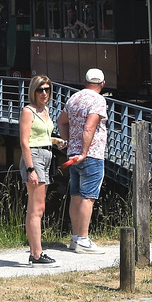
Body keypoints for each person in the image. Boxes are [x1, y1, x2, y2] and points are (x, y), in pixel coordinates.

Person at [56, 68, 108, 254]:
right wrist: (85, 152)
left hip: (73, 155)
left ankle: (75, 238)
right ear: (102, 84)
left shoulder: (74, 98)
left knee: (76, 195)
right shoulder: (99, 100)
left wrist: (68, 143)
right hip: (91, 155)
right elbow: (89, 127)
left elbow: (61, 121)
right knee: (88, 197)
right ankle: (84, 240)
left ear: (85, 82)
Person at [19, 75, 65, 267]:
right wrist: (31, 169)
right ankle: (37, 253)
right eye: (40, 89)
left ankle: (35, 252)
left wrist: (55, 141)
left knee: (38, 207)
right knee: (36, 208)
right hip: (35, 158)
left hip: (46, 155)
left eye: (47, 89)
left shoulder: (45, 111)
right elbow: (24, 141)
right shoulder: (28, 111)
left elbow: (41, 135)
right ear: (33, 91)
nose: (44, 93)